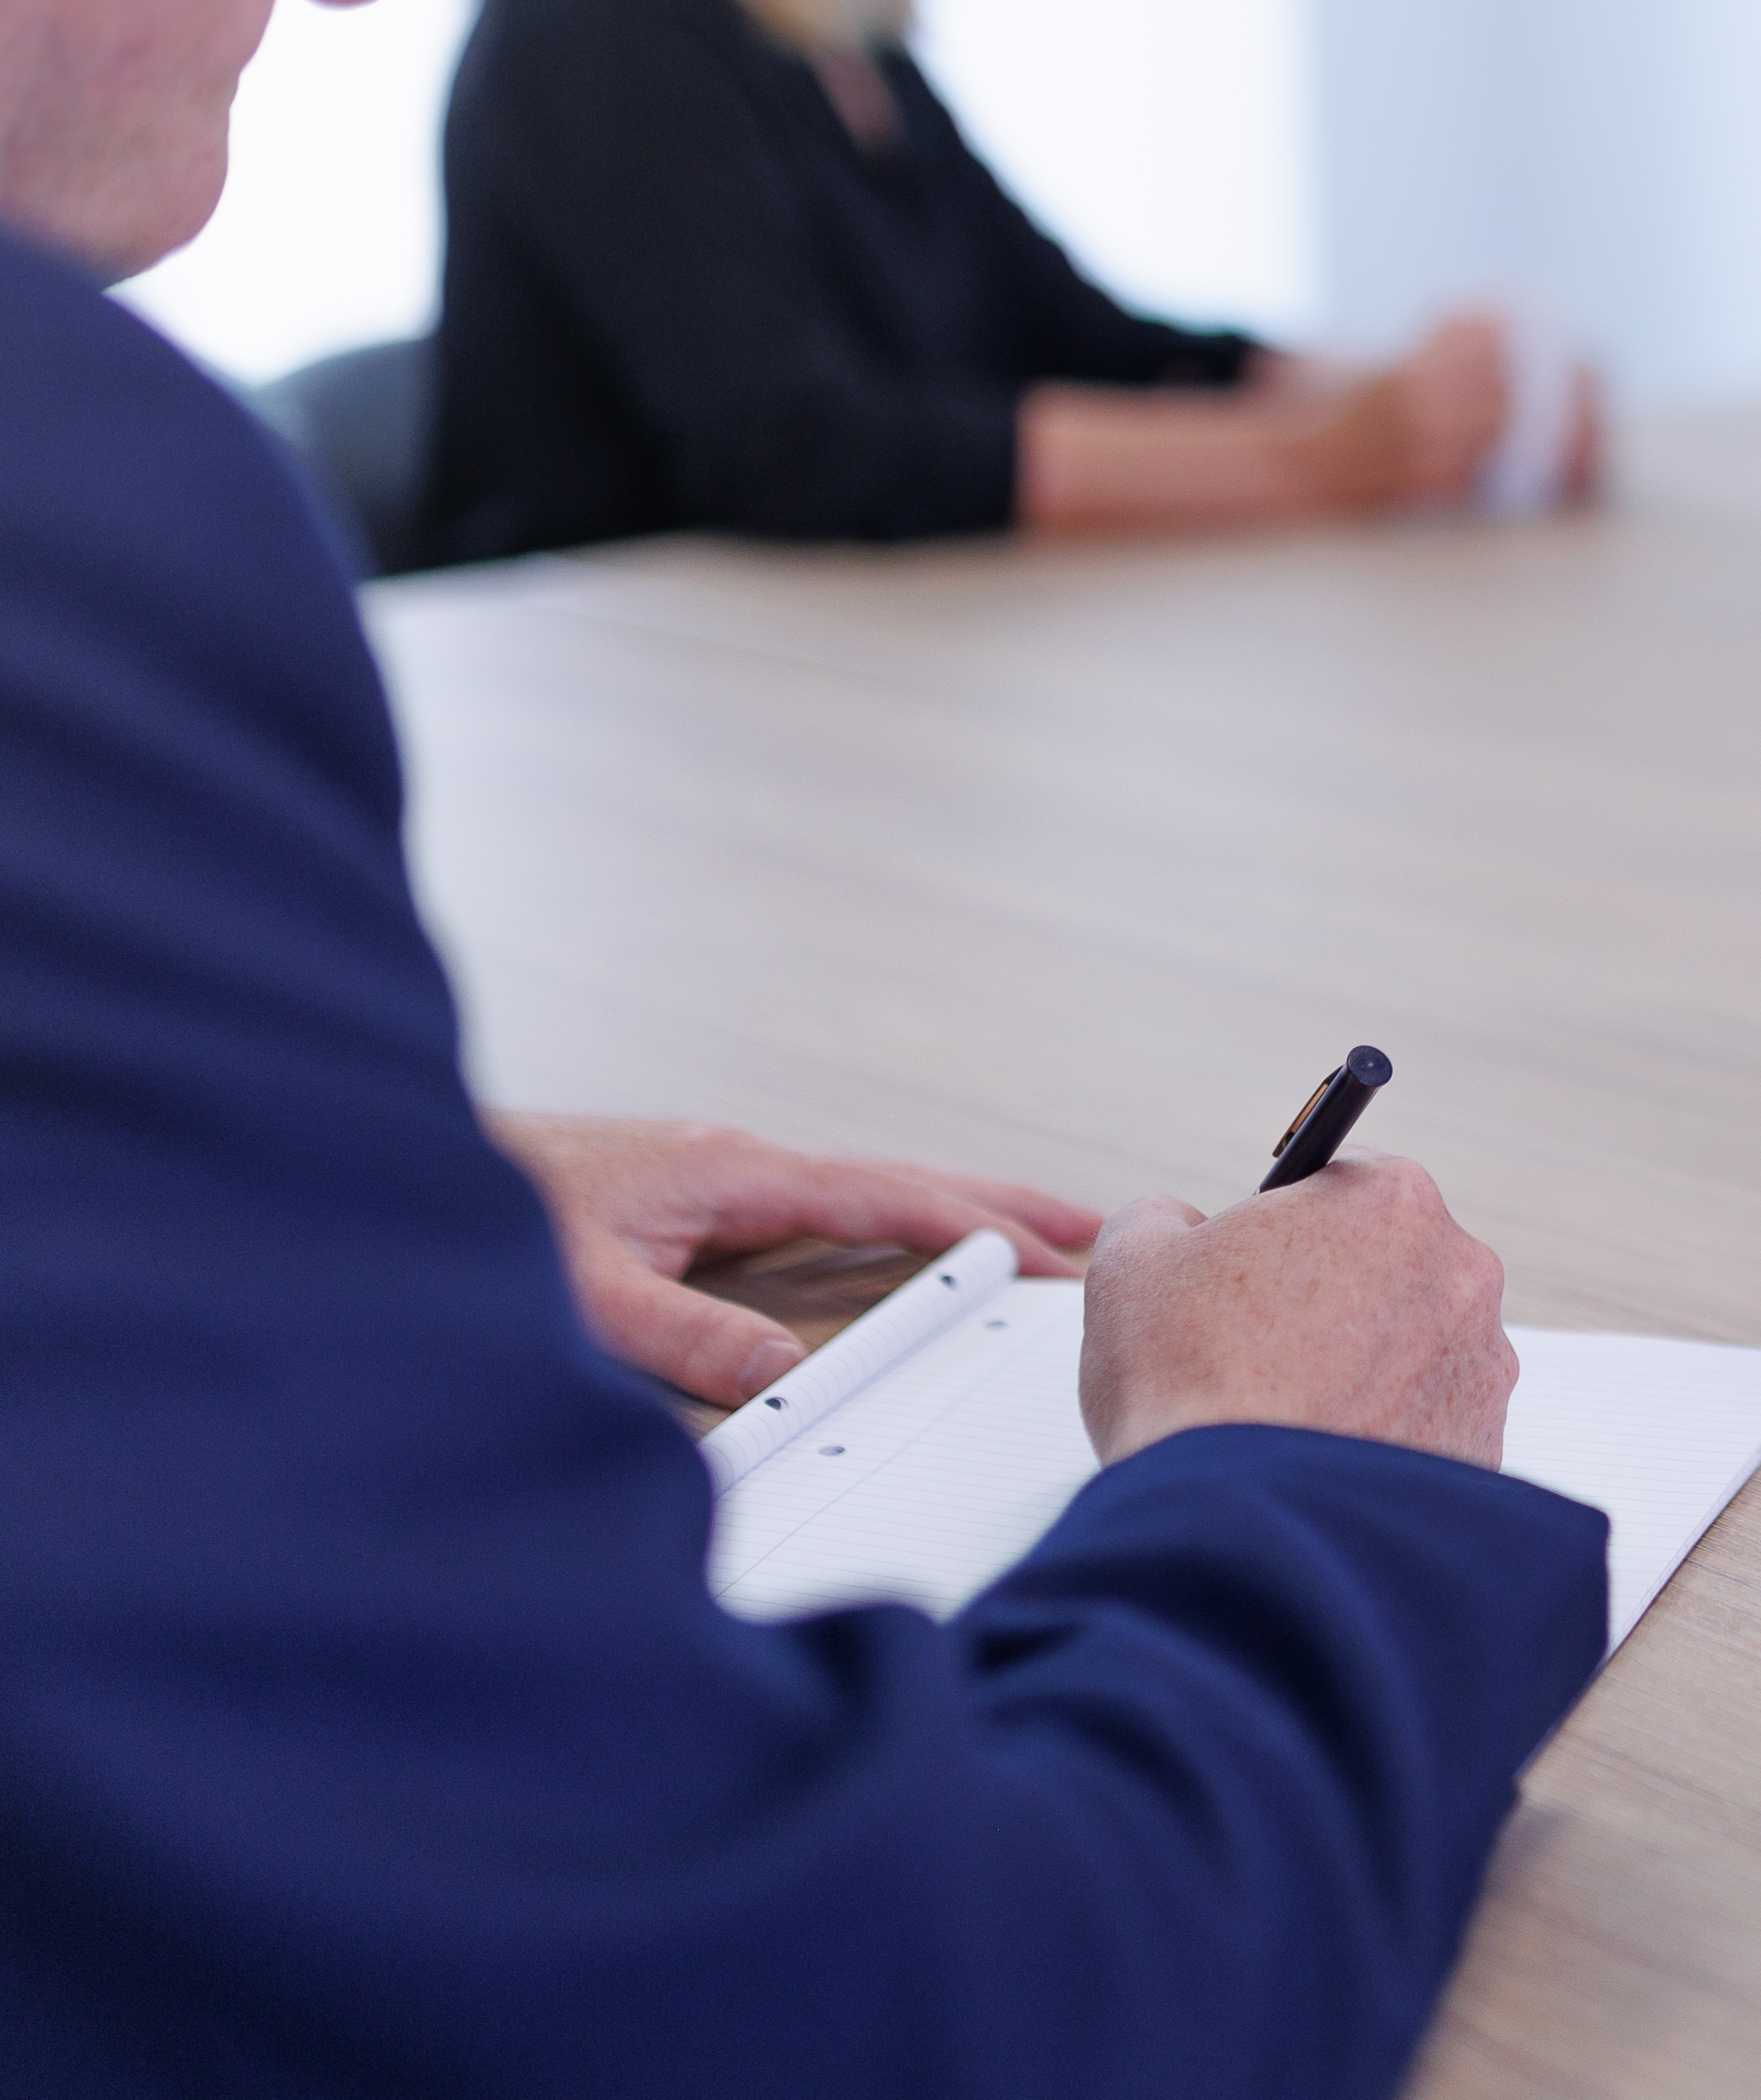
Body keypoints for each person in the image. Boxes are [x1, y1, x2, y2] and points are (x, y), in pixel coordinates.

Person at [0, 1, 1608, 2093]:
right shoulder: (72, 501)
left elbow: (1098, 333)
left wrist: (234, 1157)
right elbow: (849, 2013)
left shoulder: (867, 74)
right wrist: (1299, 1474)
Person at [417, 0, 1577, 565]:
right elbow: (803, 449)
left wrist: (1430, 405)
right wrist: (1312, 463)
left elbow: (1091, 341)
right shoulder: (590, 36)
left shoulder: (846, 58)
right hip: (635, 701)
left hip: (865, 661)